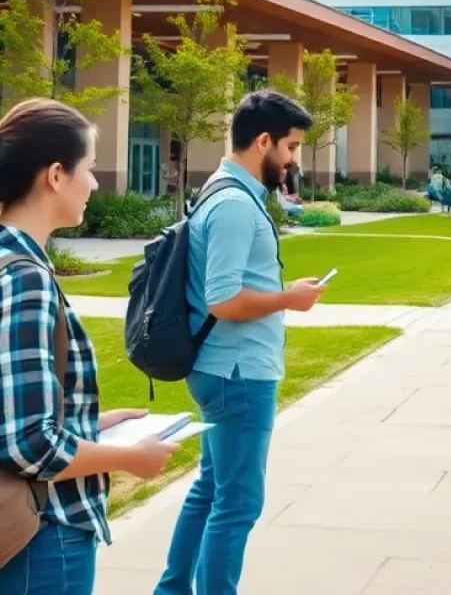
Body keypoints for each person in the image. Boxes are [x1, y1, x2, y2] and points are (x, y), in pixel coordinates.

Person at [0, 99, 176, 595]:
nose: (95, 183)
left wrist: (91, 423)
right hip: (42, 535)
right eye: (91, 168)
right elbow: (28, 444)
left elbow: (10, 410)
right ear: (56, 175)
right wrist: (128, 459)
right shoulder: (25, 279)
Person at [155, 90, 326, 595]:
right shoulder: (233, 205)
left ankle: (171, 590)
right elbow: (223, 300)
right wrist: (288, 299)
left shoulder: (226, 192)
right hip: (236, 373)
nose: (294, 160)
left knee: (212, 490)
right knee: (238, 503)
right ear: (264, 141)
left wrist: (283, 294)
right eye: (291, 147)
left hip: (222, 368)